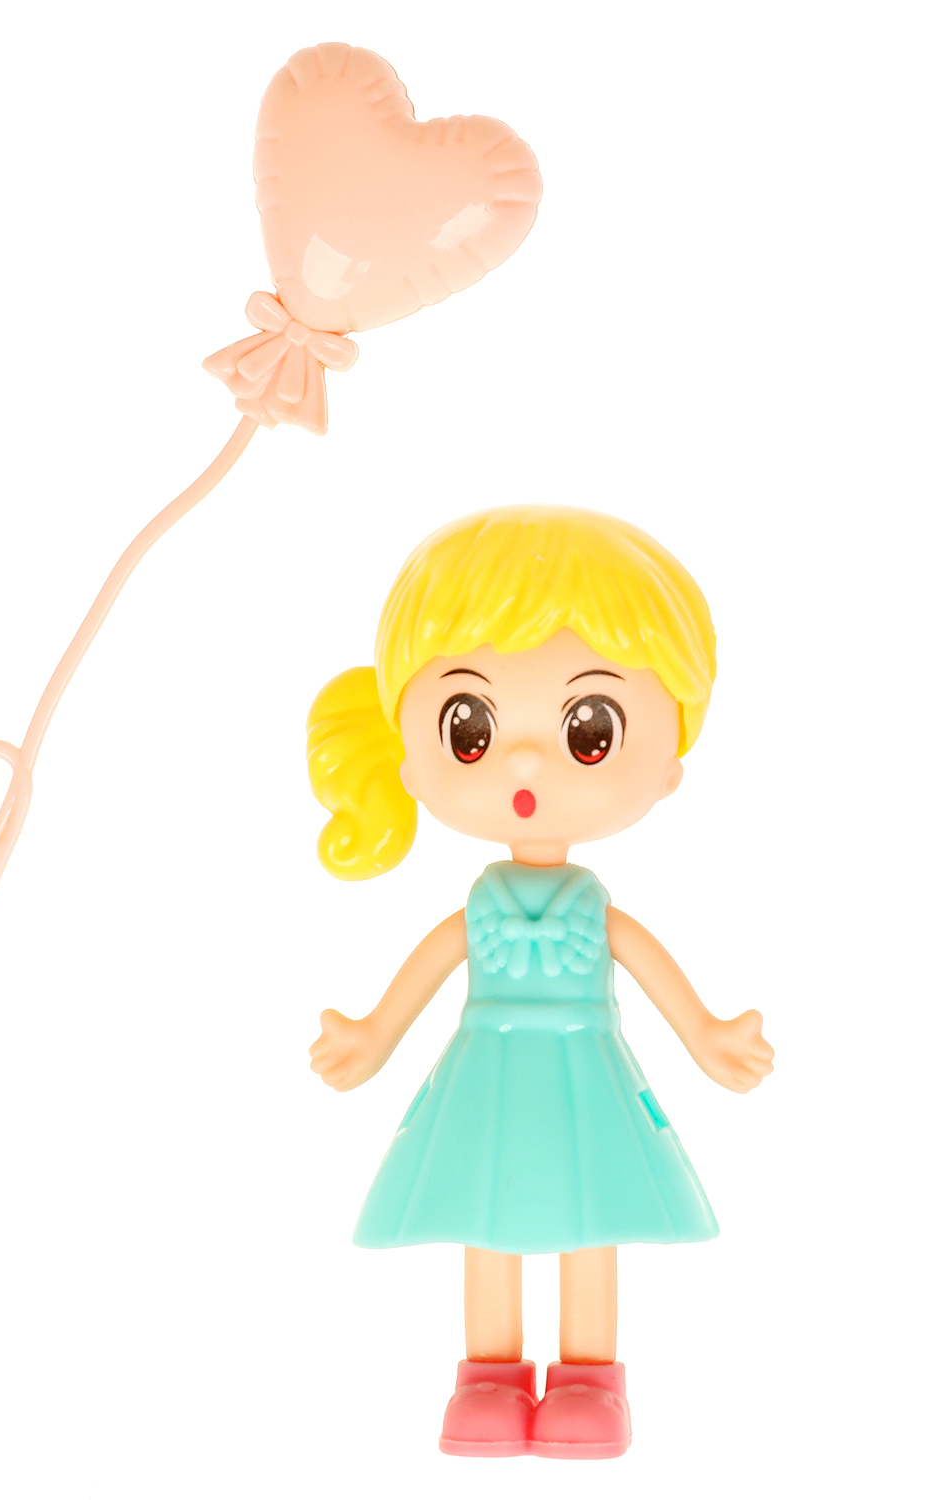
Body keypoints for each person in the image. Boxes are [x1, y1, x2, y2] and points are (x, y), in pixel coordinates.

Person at [306, 505, 774, 1459]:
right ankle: (488, 1374)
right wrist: (370, 1035)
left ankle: (591, 1381)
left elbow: (654, 975)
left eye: (588, 729)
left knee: (591, 1216)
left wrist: (709, 1035)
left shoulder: (596, 909)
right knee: (485, 1215)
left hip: (583, 1075)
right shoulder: (477, 905)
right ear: (410, 753)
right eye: (470, 726)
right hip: (485, 1073)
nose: (524, 759)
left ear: (669, 766)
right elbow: (425, 976)